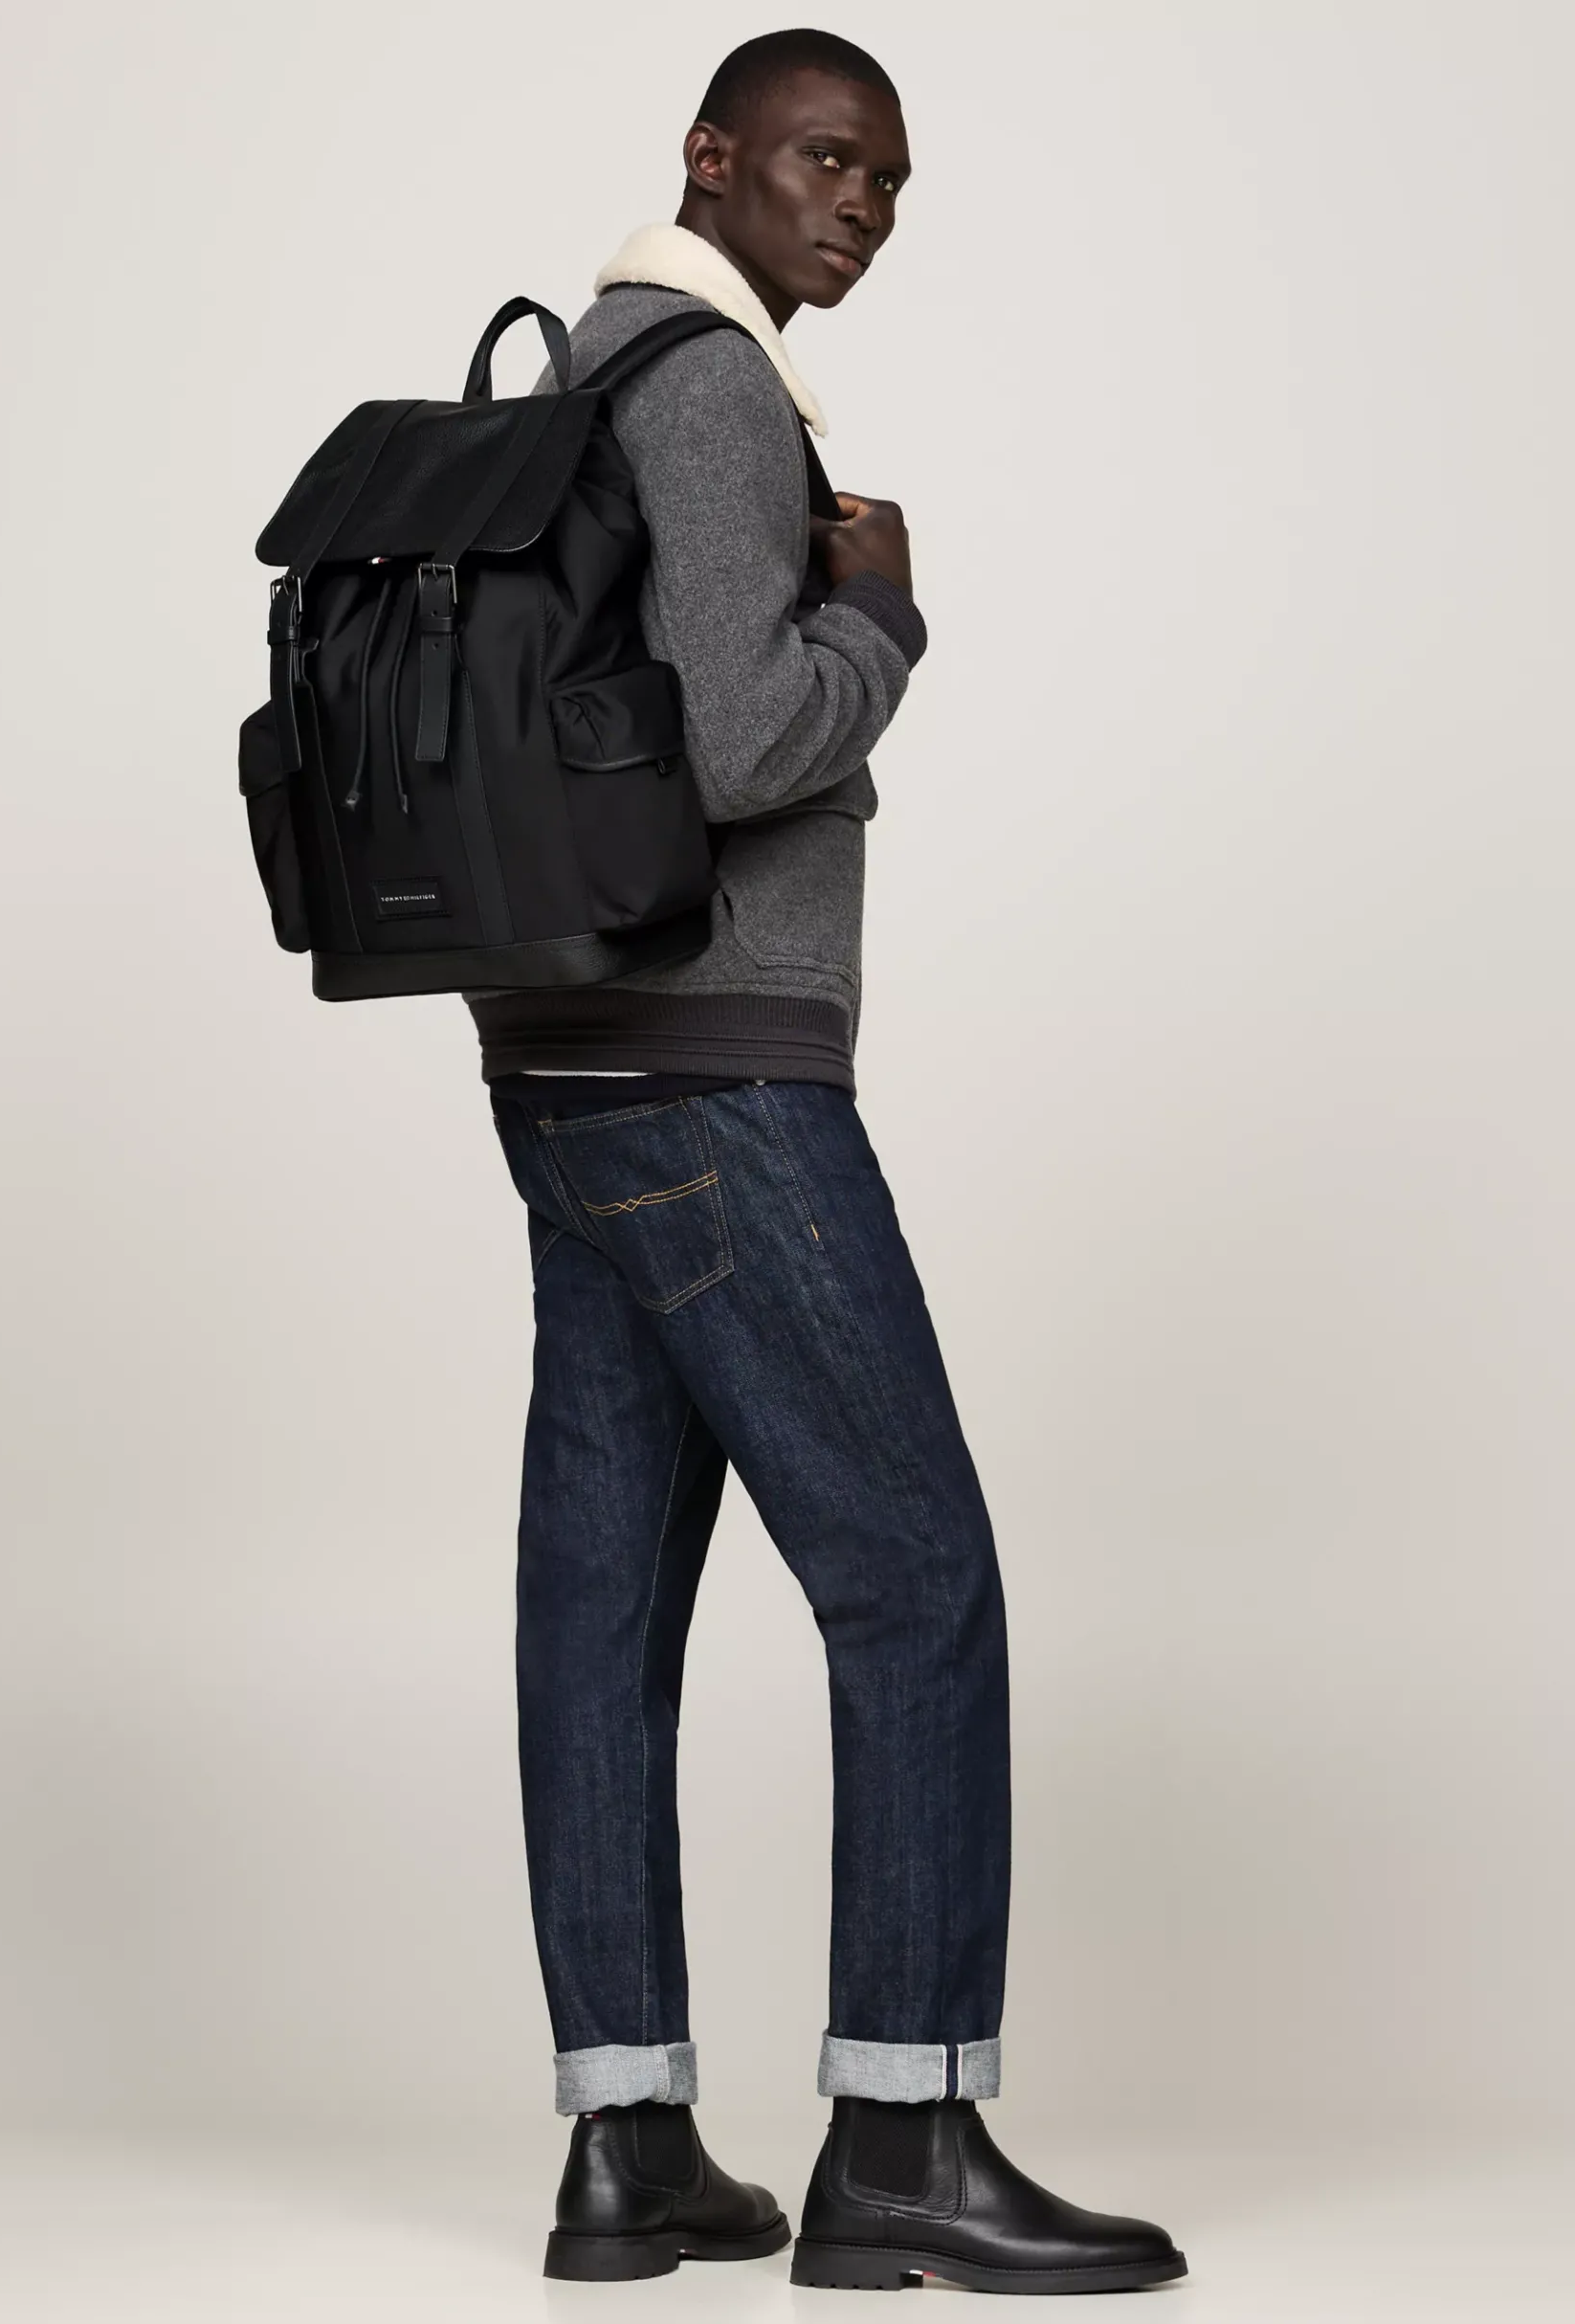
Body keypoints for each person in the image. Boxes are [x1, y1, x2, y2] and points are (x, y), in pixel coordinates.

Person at [472, 29, 1188, 2296]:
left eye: (885, 178)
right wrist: (878, 608)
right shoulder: (703, 386)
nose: (859, 204)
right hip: (713, 1073)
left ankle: (627, 2149)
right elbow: (738, 732)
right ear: (711, 157)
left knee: (601, 1608)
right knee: (914, 1573)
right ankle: (902, 2131)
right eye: (821, 158)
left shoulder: (580, 369)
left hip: (567, 1062)